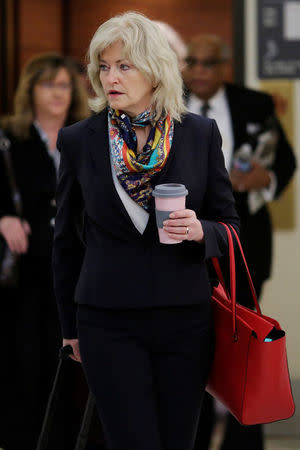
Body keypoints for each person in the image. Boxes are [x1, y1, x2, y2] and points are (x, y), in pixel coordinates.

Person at [52, 12, 240, 450]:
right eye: (103, 66)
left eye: (124, 65)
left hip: (185, 322)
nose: (110, 77)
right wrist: (69, 328)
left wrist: (201, 230)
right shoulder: (79, 140)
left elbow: (229, 226)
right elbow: (64, 242)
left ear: (155, 70)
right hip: (107, 321)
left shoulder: (198, 133)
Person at [183, 34, 296, 450]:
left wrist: (262, 180)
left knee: (244, 339)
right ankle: (188, 436)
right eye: (190, 61)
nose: (197, 70)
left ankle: (242, 439)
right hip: (187, 245)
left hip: (244, 243)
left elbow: (285, 162)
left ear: (224, 66)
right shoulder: (165, 104)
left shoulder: (254, 104)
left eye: (207, 63)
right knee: (192, 340)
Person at [0, 53, 89, 450]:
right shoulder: (9, 138)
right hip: (25, 273)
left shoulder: (89, 137)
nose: (58, 93)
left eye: (65, 85)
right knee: (26, 363)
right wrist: (0, 217)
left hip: (79, 272)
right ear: (29, 91)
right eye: (48, 84)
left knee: (74, 368)